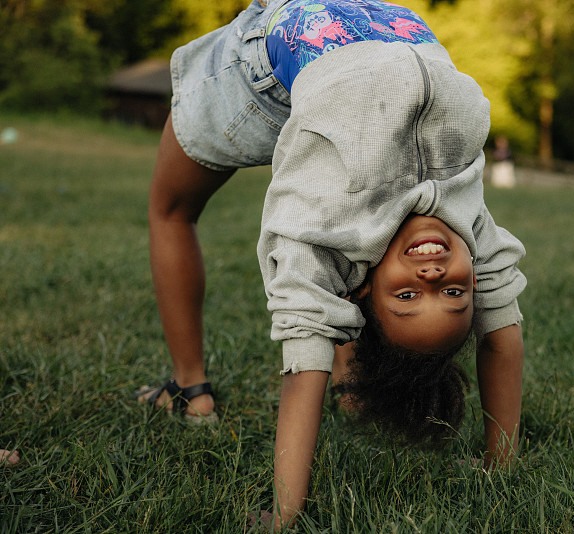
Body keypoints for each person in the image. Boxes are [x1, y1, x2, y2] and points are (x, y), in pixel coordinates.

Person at [138, 0, 526, 529]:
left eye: (408, 297)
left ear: (365, 292)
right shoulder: (470, 228)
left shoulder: (314, 242)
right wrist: (499, 464)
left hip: (283, 54)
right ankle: (356, 385)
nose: (434, 278)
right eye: (455, 295)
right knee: (350, 275)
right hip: (388, 25)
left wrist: (284, 514)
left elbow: (303, 371)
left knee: (172, 210)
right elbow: (502, 334)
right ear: (474, 281)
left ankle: (191, 390)